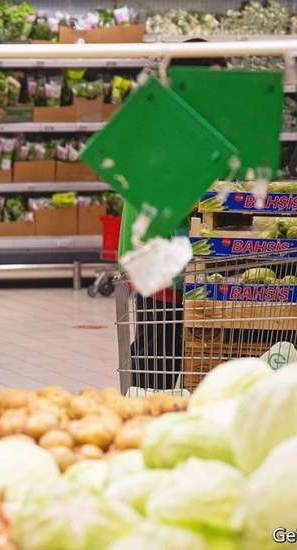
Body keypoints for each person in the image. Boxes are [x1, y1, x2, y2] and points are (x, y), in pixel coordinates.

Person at [120, 41, 227, 390]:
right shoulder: (171, 126)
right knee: (159, 360)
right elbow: (166, 195)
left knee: (159, 354)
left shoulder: (176, 120)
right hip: (167, 266)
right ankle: (144, 421)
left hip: (169, 264)